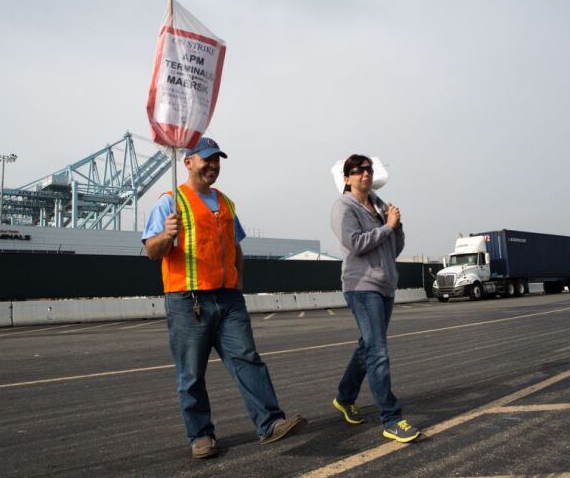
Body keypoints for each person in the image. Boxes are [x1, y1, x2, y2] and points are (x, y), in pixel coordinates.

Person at [142, 136, 306, 459]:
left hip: (228, 299)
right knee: (191, 374)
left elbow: (237, 247)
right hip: (189, 301)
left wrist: (237, 281)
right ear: (187, 162)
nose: (213, 165)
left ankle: (270, 423)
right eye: (207, 159)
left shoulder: (227, 203)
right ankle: (201, 436)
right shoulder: (169, 202)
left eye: (217, 159)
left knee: (247, 360)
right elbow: (151, 251)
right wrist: (166, 235)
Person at [330, 154, 421, 443]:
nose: (365, 174)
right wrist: (387, 227)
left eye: (368, 169)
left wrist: (397, 225)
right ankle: (391, 418)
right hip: (361, 285)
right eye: (357, 171)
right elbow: (355, 243)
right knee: (378, 352)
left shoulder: (378, 207)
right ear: (347, 178)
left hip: (385, 285)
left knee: (367, 346)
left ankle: (345, 397)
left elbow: (394, 248)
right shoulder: (343, 207)